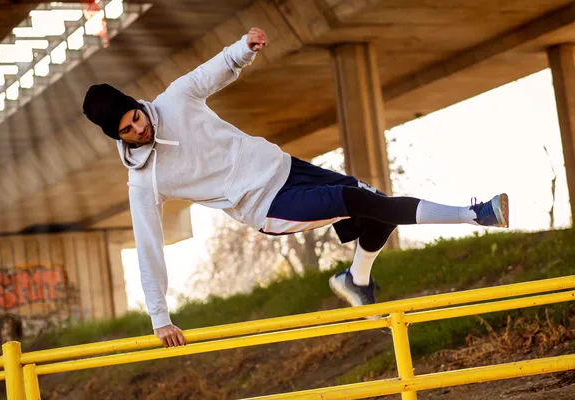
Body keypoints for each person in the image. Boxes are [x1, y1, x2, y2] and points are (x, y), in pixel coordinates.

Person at [82, 27, 509, 348]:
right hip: (267, 205)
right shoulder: (143, 181)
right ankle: (477, 215)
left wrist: (242, 48)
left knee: (375, 204)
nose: (139, 128)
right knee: (359, 200)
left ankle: (357, 280)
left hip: (286, 168)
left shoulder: (175, 99)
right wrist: (161, 317)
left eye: (135, 117)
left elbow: (209, 73)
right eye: (127, 131)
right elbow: (148, 245)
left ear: (137, 105)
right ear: (116, 137)